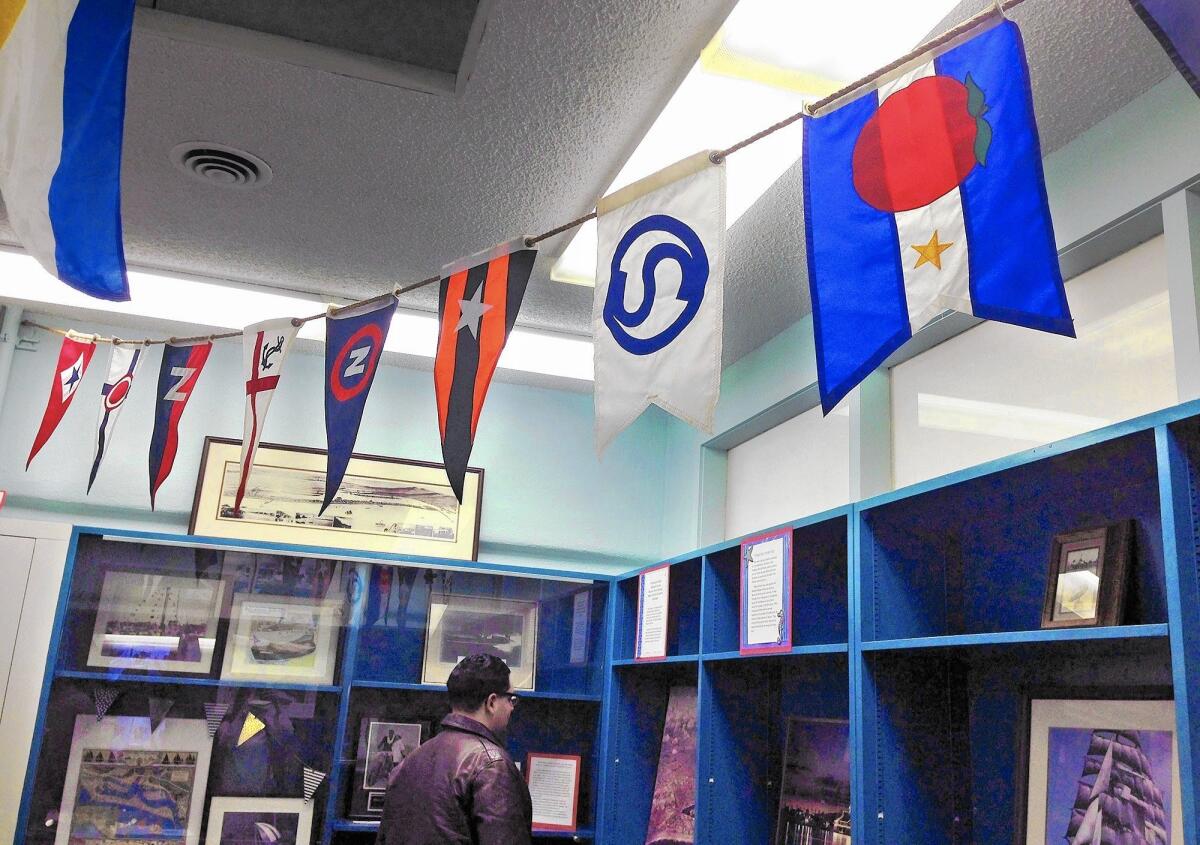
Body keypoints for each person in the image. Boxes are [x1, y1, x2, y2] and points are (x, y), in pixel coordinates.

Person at [376, 654, 532, 844]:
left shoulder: (411, 759)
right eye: (511, 699)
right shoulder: (492, 765)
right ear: (491, 702)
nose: (511, 707)